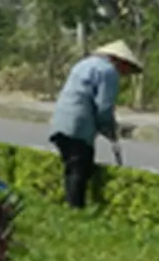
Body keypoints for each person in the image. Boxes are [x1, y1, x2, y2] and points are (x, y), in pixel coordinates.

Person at [48, 40, 143, 207]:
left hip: (61, 122)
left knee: (73, 166)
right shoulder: (108, 72)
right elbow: (104, 107)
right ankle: (75, 209)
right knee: (79, 168)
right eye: (126, 68)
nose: (125, 73)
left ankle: (72, 205)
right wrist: (110, 129)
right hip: (78, 125)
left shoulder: (84, 64)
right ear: (119, 61)